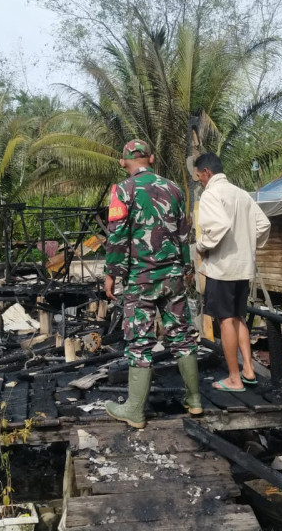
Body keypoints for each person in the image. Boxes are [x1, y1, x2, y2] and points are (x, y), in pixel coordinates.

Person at [103, 139, 201, 428]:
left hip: (140, 280)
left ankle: (134, 410)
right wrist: (185, 267)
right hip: (173, 277)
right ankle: (195, 399)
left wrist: (112, 273)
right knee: (182, 336)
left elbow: (117, 236)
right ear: (151, 158)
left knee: (139, 342)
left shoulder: (123, 190)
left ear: (123, 162)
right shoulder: (174, 188)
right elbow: (184, 233)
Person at [194, 152, 271, 392]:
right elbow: (264, 224)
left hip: (222, 269)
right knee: (238, 318)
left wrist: (201, 246)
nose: (199, 181)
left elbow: (219, 226)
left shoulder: (211, 194)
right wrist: (247, 244)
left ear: (207, 172)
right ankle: (248, 370)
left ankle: (234, 379)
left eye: (199, 177)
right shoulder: (241, 194)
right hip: (243, 267)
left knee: (225, 320)